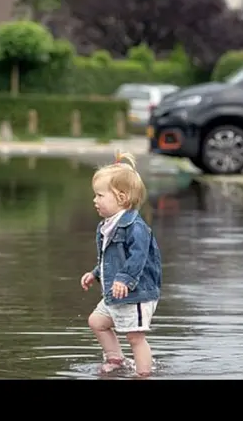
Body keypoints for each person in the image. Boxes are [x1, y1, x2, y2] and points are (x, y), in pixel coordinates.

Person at [80, 151, 163, 377]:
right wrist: (95, 273)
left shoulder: (135, 227)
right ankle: (115, 359)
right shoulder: (106, 226)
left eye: (99, 195)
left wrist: (125, 279)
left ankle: (144, 374)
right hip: (115, 292)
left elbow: (139, 257)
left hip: (136, 293)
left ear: (121, 198)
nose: (94, 200)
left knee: (135, 337)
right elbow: (111, 259)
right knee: (97, 321)